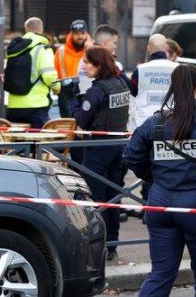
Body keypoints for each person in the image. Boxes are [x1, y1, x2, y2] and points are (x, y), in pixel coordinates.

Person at [123, 64, 196, 297]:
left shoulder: (155, 123)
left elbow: (131, 156)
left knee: (160, 274)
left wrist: (155, 177)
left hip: (159, 202)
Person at [63, 46, 131, 262]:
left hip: (99, 149)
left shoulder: (97, 90)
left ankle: (96, 246)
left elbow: (82, 120)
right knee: (113, 198)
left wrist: (73, 100)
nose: (84, 66)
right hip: (119, 146)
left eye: (87, 62)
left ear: (99, 65)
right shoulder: (120, 84)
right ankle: (112, 244)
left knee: (96, 198)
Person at [6, 17, 60, 128]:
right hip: (37, 106)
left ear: (26, 30)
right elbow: (49, 76)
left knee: (17, 143)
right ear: (41, 29)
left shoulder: (15, 50)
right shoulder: (43, 49)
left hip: (13, 106)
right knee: (37, 142)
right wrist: (57, 88)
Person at [130, 34, 179, 128]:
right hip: (172, 122)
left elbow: (134, 92)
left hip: (143, 122)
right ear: (166, 48)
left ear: (148, 48)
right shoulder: (178, 69)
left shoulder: (139, 70)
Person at [54, 20, 90, 117]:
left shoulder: (91, 51)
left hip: (87, 92)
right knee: (68, 126)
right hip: (66, 93)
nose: (80, 37)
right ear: (71, 34)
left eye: (82, 33)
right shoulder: (61, 51)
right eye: (76, 33)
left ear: (86, 33)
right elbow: (54, 74)